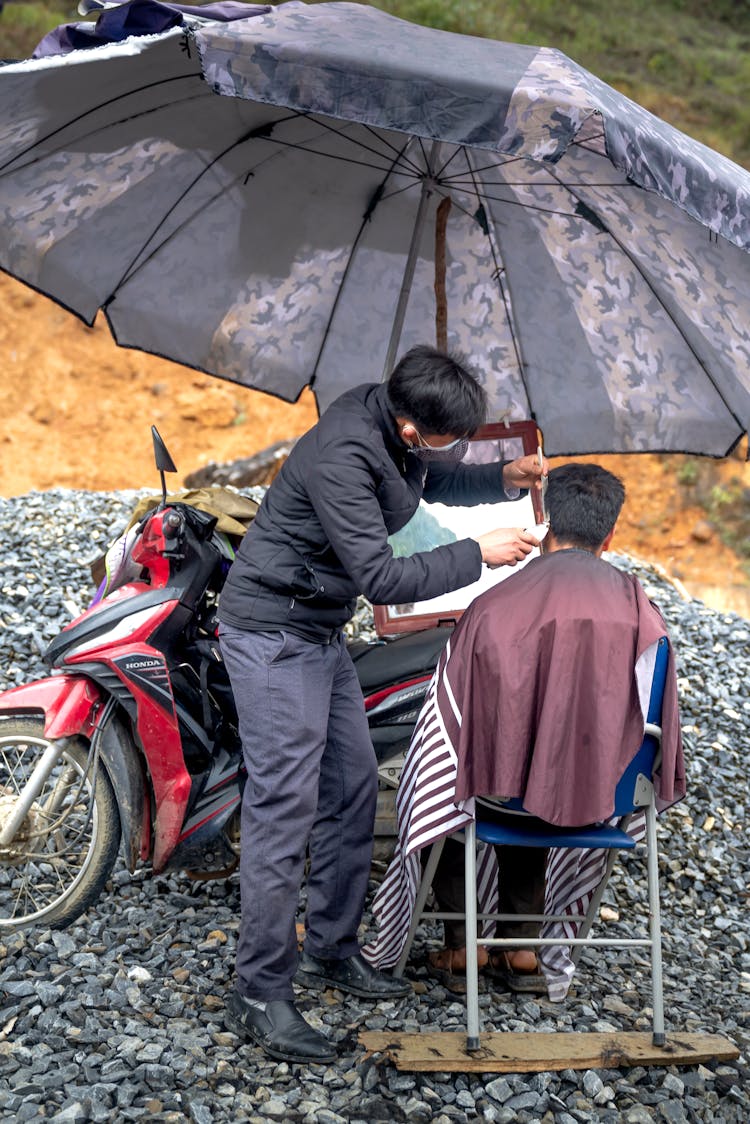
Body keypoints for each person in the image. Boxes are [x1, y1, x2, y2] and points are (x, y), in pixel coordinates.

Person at [218, 344, 547, 1063]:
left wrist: (502, 477)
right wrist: (476, 557)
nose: (446, 448)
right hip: (273, 633)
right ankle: (259, 990)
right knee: (284, 805)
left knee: (354, 783)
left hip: (316, 629)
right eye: (442, 436)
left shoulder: (391, 416)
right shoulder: (343, 453)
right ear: (408, 426)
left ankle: (330, 948)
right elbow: (379, 575)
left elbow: (433, 477)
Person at [365, 463, 685, 997]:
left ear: (545, 529)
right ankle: (522, 948)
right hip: (604, 794)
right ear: (609, 537)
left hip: (499, 793)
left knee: (443, 773)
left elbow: (450, 726)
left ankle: (465, 941)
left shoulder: (491, 607)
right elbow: (657, 721)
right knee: (546, 770)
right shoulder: (644, 613)